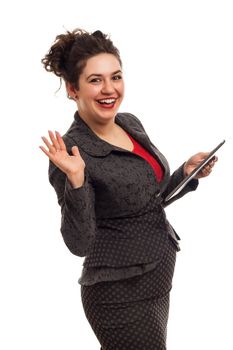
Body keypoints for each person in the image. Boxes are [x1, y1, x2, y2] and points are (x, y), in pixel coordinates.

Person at [39, 28, 218, 350]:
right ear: (72, 89)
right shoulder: (70, 154)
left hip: (158, 274)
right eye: (95, 80)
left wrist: (186, 173)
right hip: (118, 291)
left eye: (116, 77)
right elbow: (78, 242)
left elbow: (149, 197)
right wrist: (77, 181)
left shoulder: (130, 123)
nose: (109, 89)